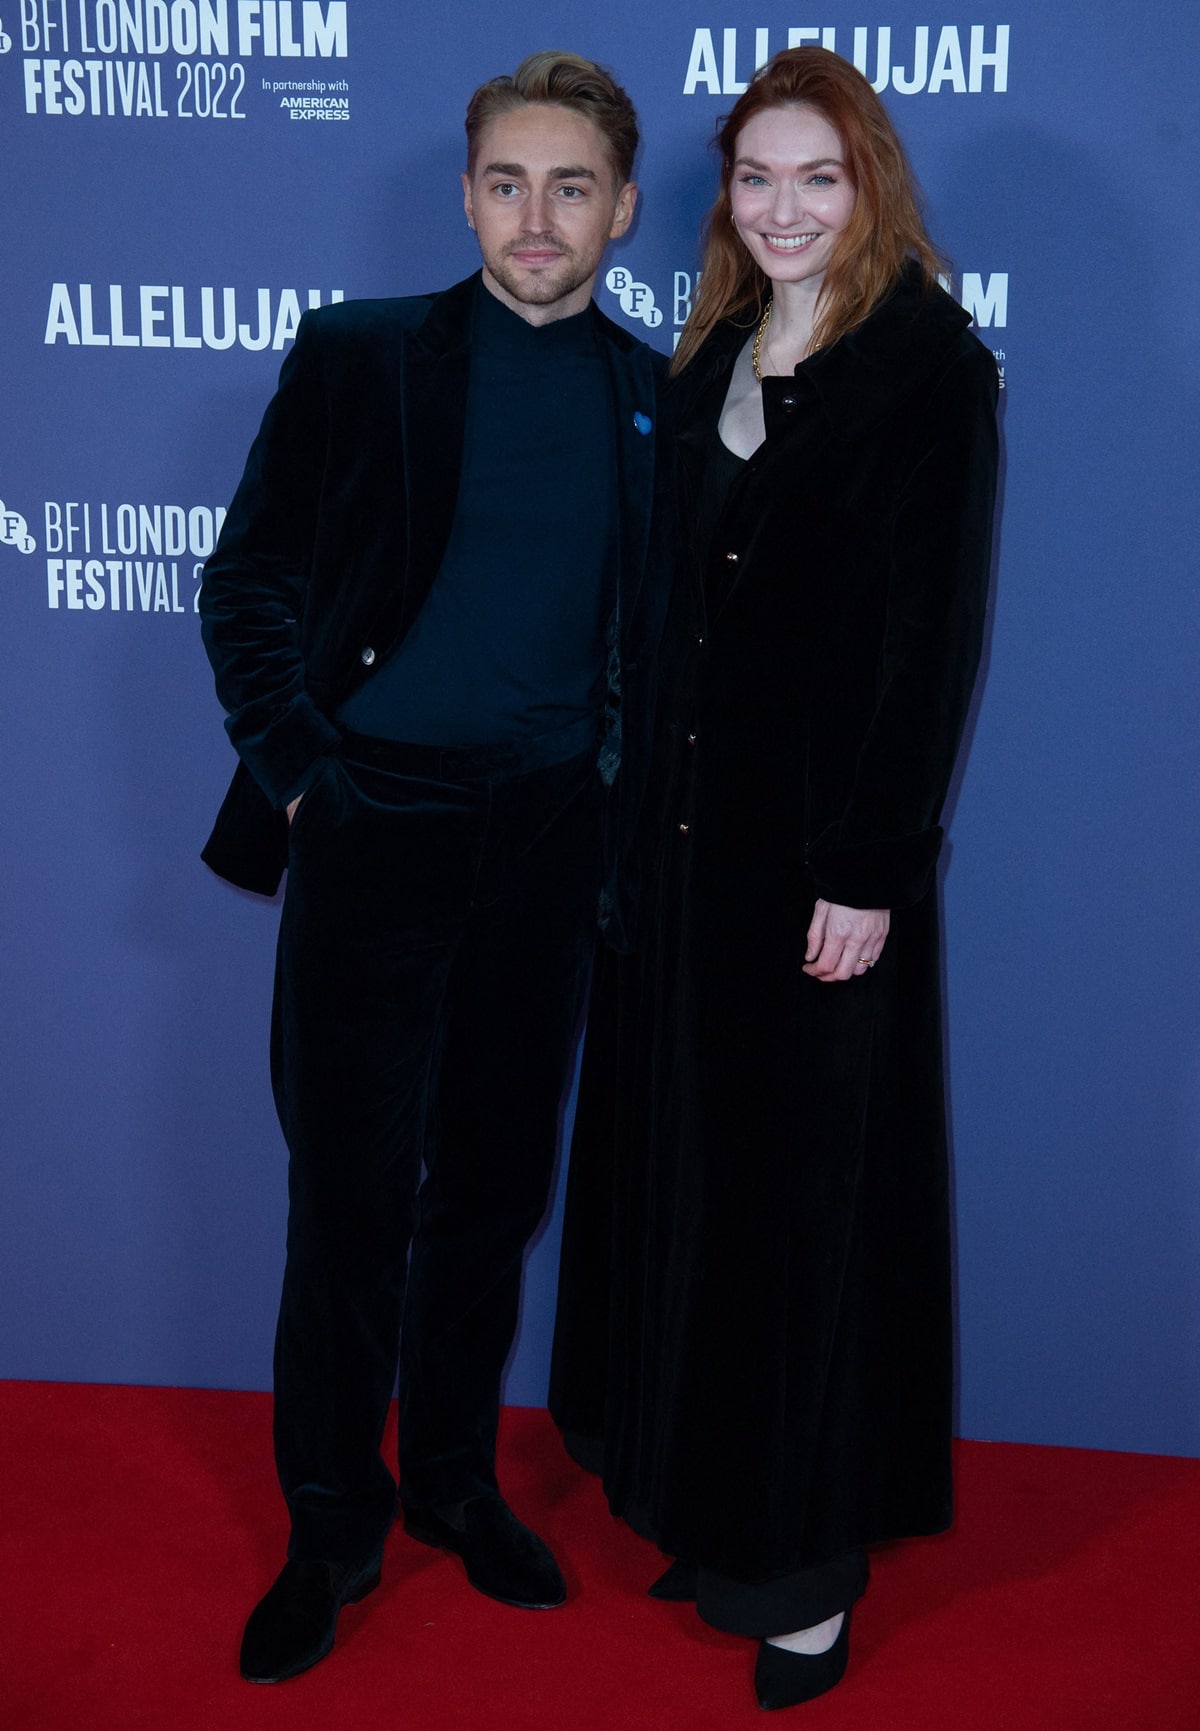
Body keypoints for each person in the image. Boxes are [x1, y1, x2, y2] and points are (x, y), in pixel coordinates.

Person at [199, 50, 673, 1685]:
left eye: (568, 188)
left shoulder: (651, 396)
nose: (533, 219)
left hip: (547, 838)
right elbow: (247, 577)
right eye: (503, 183)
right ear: (466, 192)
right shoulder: (358, 356)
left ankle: (456, 1483)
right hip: (374, 823)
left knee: (489, 1194)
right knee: (346, 1202)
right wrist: (308, 778)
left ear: (622, 207)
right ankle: (332, 1523)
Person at [550, 46, 999, 1710]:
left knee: (811, 1223)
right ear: (726, 197)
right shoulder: (721, 346)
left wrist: (874, 868)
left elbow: (929, 646)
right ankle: (717, 1512)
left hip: (821, 879)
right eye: (757, 178)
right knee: (696, 1194)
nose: (785, 207)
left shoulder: (930, 372)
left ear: (868, 184)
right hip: (679, 872)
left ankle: (807, 1572)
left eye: (819, 177)